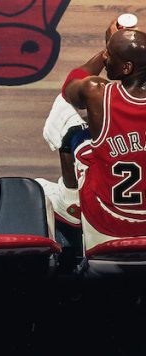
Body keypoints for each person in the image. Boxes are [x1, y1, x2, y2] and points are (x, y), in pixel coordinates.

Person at [37, 20, 146, 249]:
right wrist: (116, 48)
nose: (106, 58)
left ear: (126, 68)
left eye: (110, 55)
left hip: (108, 221)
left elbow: (69, 88)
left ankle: (69, 199)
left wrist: (106, 47)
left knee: (70, 123)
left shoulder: (97, 92)